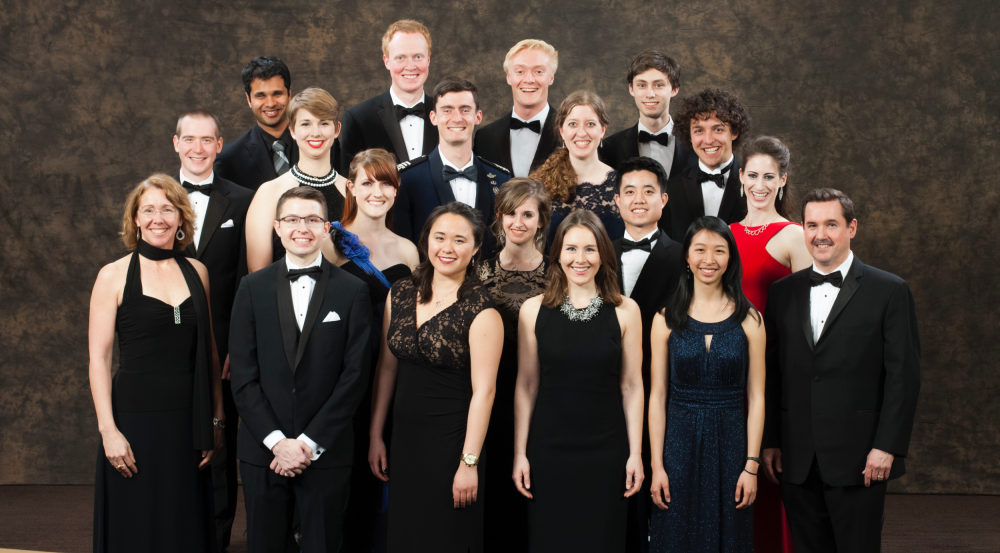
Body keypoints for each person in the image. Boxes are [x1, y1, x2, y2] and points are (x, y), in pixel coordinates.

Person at [762, 189, 921, 553]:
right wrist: (771, 439)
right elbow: (773, 374)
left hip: (861, 457)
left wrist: (886, 447)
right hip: (796, 457)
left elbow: (904, 377)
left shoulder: (890, 291)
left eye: (831, 224)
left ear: (852, 228)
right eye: (812, 224)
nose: (820, 234)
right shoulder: (782, 292)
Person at [229, 186, 372, 553]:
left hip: (325, 451)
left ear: (327, 228)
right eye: (292, 219)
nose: (302, 228)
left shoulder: (353, 291)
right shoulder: (250, 287)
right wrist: (278, 443)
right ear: (277, 227)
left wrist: (307, 444)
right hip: (264, 452)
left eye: (312, 219)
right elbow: (243, 377)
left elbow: (354, 377)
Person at [89, 175, 223, 553]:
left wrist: (215, 419)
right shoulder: (113, 275)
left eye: (167, 209)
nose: (158, 218)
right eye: (148, 210)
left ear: (181, 218)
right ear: (135, 219)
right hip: (134, 422)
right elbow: (98, 359)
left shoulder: (198, 271)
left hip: (187, 421)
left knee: (184, 524)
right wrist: (108, 431)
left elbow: (210, 353)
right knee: (137, 523)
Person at [368, 202, 503, 553]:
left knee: (447, 538)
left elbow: (485, 393)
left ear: (475, 249)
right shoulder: (398, 292)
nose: (447, 248)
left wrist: (468, 463)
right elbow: (386, 368)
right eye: (439, 237)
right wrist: (376, 434)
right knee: (405, 536)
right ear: (426, 239)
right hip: (405, 443)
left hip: (453, 447)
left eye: (459, 240)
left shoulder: (483, 309)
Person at [514, 210, 645, 553]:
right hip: (548, 451)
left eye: (590, 249)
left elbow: (632, 386)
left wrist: (636, 454)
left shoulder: (626, 311)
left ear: (603, 253)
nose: (580, 259)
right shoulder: (532, 310)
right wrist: (519, 453)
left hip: (606, 452)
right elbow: (527, 386)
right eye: (571, 249)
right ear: (557, 253)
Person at [647, 217, 765, 552]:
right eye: (700, 249)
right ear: (687, 256)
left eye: (719, 250)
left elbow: (756, 398)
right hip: (677, 447)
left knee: (730, 535)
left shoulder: (751, 320)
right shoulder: (665, 318)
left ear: (730, 258)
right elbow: (657, 397)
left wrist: (751, 466)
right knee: (675, 535)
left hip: (732, 446)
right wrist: (657, 465)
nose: (708, 259)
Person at [330, 148, 420, 553]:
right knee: (343, 485)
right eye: (367, 182)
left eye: (385, 182)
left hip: (393, 377)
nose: (376, 191)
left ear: (396, 191)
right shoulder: (329, 243)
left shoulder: (408, 250)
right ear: (351, 187)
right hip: (341, 377)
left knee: (385, 476)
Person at [172, 108, 254, 551]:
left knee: (223, 443)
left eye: (207, 140)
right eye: (190, 139)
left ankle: (217, 538)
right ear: (176, 143)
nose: (198, 149)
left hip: (224, 346)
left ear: (220, 146)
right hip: (170, 345)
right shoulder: (158, 198)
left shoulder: (242, 200)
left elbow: (246, 280)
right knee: (175, 437)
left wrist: (236, 348)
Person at [729, 136, 811, 552]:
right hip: (727, 373)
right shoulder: (723, 234)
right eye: (752, 175)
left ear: (782, 181)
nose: (759, 184)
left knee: (770, 477)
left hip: (774, 369)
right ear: (740, 177)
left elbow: (812, 320)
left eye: (769, 176)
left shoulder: (795, 235)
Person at [610, 157, 684, 553]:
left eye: (649, 191)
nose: (639, 200)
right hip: (602, 394)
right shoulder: (593, 253)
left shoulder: (687, 257)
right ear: (617, 200)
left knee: (659, 496)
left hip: (664, 392)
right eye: (630, 192)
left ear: (664, 199)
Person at [476, 177, 552, 552]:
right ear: (498, 217)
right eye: (510, 213)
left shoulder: (560, 273)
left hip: (544, 393)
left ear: (542, 220)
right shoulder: (477, 271)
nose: (518, 221)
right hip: (489, 392)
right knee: (494, 487)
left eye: (528, 214)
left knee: (537, 486)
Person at [394, 77, 511, 260]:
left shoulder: (502, 179)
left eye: (465, 110)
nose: (457, 118)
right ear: (433, 117)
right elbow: (403, 248)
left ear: (477, 116)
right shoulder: (407, 178)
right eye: (447, 110)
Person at [245, 87, 348, 273]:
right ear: (292, 130)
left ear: (337, 129)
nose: (315, 132)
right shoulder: (269, 193)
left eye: (324, 123)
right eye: (306, 124)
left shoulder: (353, 191)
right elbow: (258, 278)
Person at [215, 56, 339, 190]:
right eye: (260, 95)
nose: (270, 103)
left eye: (277, 94)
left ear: (289, 93)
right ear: (248, 99)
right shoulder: (229, 158)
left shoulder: (323, 142)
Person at [340, 20, 438, 171]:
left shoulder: (447, 114)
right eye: (400, 58)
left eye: (418, 56)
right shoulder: (359, 119)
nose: (411, 66)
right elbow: (351, 184)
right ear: (387, 62)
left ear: (428, 59)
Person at [530, 91, 624, 246]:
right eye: (573, 124)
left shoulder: (622, 185)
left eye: (590, 124)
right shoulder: (538, 185)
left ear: (603, 130)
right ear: (562, 130)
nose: (581, 133)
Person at [662, 88, 751, 241]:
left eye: (718, 129)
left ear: (734, 132)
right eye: (698, 130)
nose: (708, 140)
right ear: (689, 135)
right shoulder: (672, 190)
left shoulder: (755, 184)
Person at [600, 50, 697, 178]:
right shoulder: (608, 148)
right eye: (642, 85)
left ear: (674, 89)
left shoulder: (698, 144)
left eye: (658, 85)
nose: (650, 94)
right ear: (631, 89)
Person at [474, 39, 561, 177]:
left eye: (538, 71)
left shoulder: (570, 134)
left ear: (551, 78)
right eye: (520, 71)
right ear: (509, 77)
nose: (529, 79)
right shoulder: (485, 137)